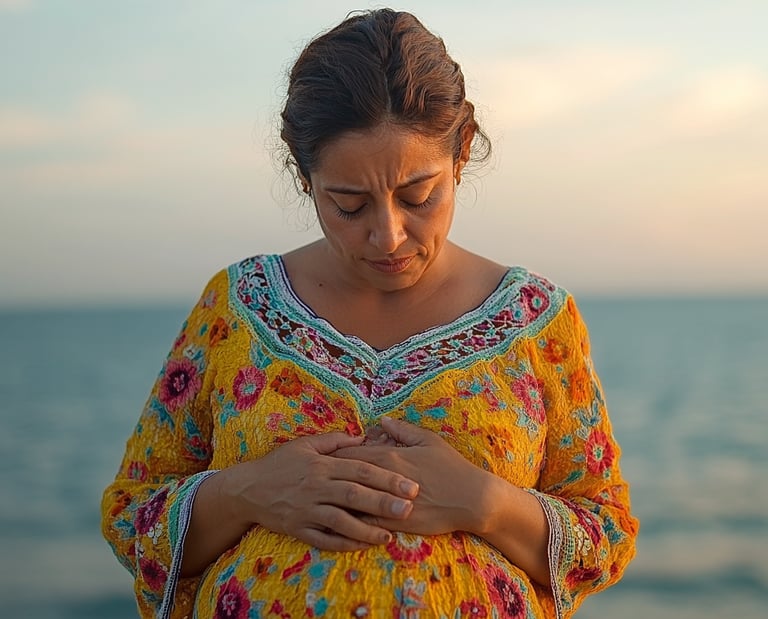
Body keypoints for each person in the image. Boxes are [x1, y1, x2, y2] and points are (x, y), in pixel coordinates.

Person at [101, 8, 638, 618]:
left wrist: (485, 502)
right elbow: (132, 514)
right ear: (305, 180)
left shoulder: (537, 321)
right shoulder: (238, 306)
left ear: (462, 154)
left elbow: (605, 535)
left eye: (419, 196)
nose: (388, 236)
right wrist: (246, 493)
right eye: (350, 205)